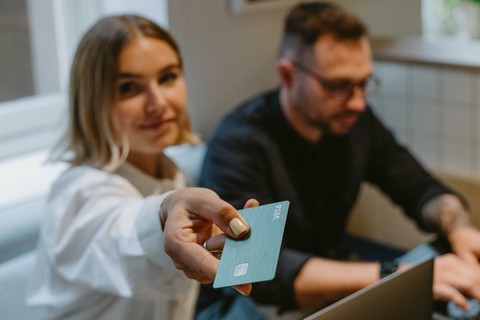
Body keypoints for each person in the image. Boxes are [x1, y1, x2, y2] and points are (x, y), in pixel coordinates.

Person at [199, 1, 480, 316]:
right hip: (249, 302)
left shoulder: (355, 124)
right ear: (288, 75)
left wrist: (460, 229)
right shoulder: (239, 144)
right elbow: (257, 270)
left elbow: (418, 187)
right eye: (339, 86)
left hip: (329, 283)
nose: (358, 103)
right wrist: (392, 273)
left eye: (363, 84)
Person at [26, 14, 254, 320]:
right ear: (93, 101)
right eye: (129, 88)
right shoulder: (78, 193)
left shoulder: (171, 171)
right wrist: (165, 213)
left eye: (168, 77)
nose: (157, 102)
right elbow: (121, 235)